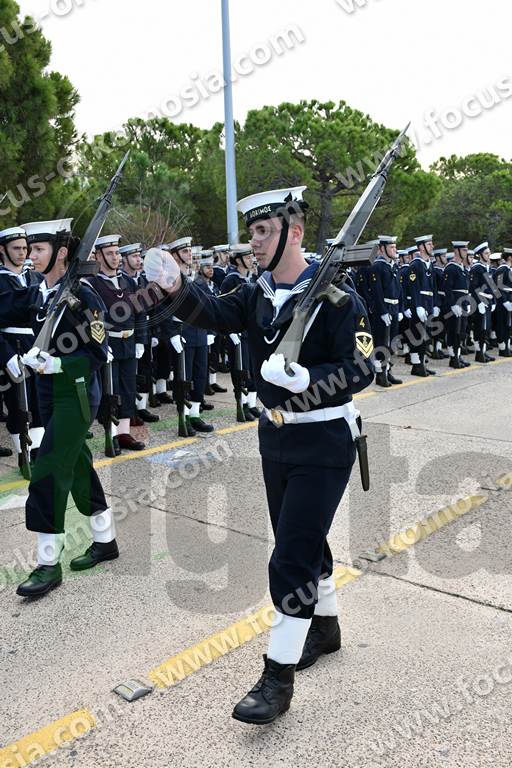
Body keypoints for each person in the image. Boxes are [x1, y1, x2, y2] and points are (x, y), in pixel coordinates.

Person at [144, 186, 374, 725]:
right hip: (275, 438)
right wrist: (176, 286)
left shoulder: (338, 298)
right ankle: (325, 627)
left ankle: (277, 678)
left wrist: (308, 378)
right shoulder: (256, 293)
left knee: (290, 556)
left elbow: (362, 368)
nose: (254, 241)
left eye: (264, 231)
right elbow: (213, 314)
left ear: (295, 233)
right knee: (302, 539)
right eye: (252, 232)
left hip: (324, 440)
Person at [0, 218, 118, 597]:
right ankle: (105, 539)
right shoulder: (39, 293)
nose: (30, 256)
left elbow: (98, 354)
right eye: (29, 249)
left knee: (49, 467)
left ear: (61, 252)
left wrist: (58, 364)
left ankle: (48, 563)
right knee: (78, 464)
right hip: (46, 393)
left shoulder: (84, 297)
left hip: (77, 394)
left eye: (38, 249)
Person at [90, 235, 146, 451]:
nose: (116, 257)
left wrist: (140, 340)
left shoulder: (129, 282)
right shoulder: (93, 283)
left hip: (129, 342)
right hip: (109, 343)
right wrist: (101, 345)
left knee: (128, 388)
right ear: (98, 256)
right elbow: (93, 317)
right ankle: (110, 434)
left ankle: (123, 433)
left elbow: (140, 312)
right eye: (110, 253)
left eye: (116, 253)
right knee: (109, 390)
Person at [0, 226, 43, 466]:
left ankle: (38, 449)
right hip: (10, 346)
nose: (22, 253)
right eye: (16, 248)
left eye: (25, 248)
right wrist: (6, 355)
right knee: (17, 403)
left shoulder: (36, 278)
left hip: (36, 346)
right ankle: (22, 452)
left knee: (40, 399)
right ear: (2, 249)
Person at [164, 237, 214, 434]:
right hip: (182, 331)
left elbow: (209, 305)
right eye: (184, 251)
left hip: (200, 331)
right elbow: (163, 310)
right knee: (183, 376)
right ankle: (183, 416)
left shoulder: (197, 278)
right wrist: (172, 333)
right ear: (175, 255)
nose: (189, 255)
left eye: (190, 251)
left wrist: (210, 330)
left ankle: (195, 415)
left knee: (200, 374)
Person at [120, 242, 160, 424]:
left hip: (145, 331)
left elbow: (154, 310)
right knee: (128, 375)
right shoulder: (120, 281)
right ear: (124, 259)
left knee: (145, 369)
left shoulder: (144, 281)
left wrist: (154, 334)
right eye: (134, 256)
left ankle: (141, 406)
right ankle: (128, 409)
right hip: (128, 332)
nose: (139, 260)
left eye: (139, 256)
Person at [220, 244, 261, 420]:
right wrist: (230, 330)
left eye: (252, 256)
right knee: (241, 369)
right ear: (238, 260)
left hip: (251, 332)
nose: (251, 260)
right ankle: (241, 404)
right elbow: (224, 308)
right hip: (237, 332)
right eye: (247, 257)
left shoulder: (252, 278)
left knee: (252, 368)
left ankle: (251, 404)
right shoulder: (230, 280)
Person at [368, 235, 402, 387]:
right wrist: (382, 311)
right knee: (381, 343)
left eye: (395, 247)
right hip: (383, 309)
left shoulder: (393, 266)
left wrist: (400, 309)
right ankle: (380, 374)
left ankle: (388, 371)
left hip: (394, 308)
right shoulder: (377, 267)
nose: (395, 250)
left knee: (392, 342)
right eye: (391, 247)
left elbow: (399, 290)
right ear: (382, 249)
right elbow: (377, 292)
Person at [195, 253, 227, 396]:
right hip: (205, 326)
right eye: (207, 267)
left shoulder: (213, 285)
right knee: (204, 359)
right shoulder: (198, 284)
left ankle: (212, 381)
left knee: (214, 355)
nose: (210, 270)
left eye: (212, 267)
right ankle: (205, 384)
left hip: (215, 325)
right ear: (200, 269)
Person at [407, 235, 436, 377]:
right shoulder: (415, 265)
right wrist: (418, 305)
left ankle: (422, 363)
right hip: (419, 304)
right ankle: (416, 365)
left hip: (428, 303)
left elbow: (433, 287)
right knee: (417, 335)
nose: (432, 246)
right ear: (421, 247)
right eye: (429, 244)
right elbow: (413, 287)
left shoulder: (429, 264)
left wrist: (434, 304)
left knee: (426, 336)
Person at [443, 241, 471, 369]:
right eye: (464, 250)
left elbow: (466, 289)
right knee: (453, 331)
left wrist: (467, 303)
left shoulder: (462, 268)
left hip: (463, 303)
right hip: (454, 304)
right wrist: (453, 304)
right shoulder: (451, 268)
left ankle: (458, 355)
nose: (466, 252)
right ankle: (453, 357)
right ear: (456, 251)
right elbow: (447, 288)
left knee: (461, 332)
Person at [470, 242, 496, 363]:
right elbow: (473, 287)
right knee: (480, 328)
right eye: (486, 253)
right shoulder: (477, 268)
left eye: (489, 253)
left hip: (488, 301)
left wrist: (494, 301)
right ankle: (479, 353)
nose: (489, 255)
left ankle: (483, 351)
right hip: (480, 302)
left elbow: (492, 286)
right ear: (480, 255)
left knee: (487, 328)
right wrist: (479, 302)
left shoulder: (488, 268)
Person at [493, 248, 512, 357]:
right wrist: (504, 301)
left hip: (508, 301)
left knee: (508, 325)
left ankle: (507, 347)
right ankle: (502, 348)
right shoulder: (502, 269)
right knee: (502, 324)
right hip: (502, 302)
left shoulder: (508, 269)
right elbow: (497, 287)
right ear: (509, 257)